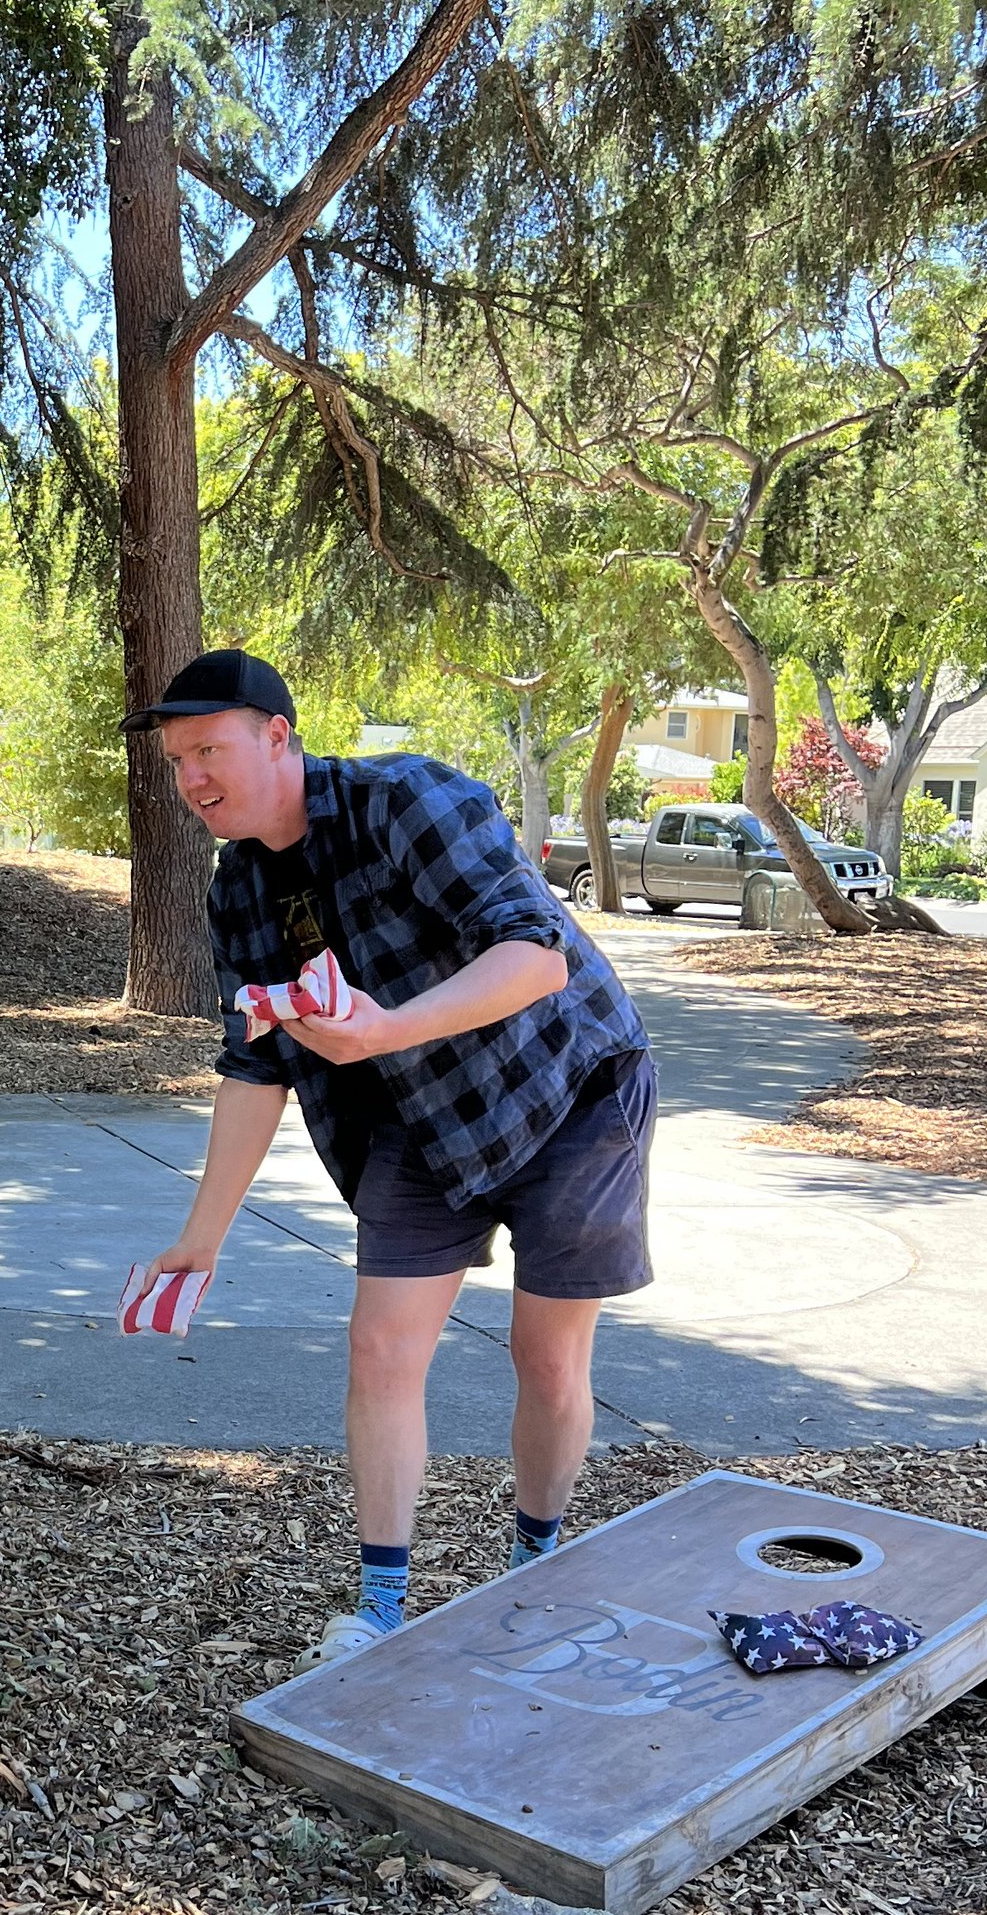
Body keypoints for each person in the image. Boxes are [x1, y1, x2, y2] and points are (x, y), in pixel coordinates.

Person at [125, 650, 655, 1665]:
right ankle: (377, 1611)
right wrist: (201, 1238)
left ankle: (533, 1569)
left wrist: (389, 1029)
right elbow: (254, 1064)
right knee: (379, 1350)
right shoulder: (239, 892)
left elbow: (534, 953)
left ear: (277, 737)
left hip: (570, 1089)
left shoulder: (407, 799)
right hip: (420, 1117)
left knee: (544, 1359)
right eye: (177, 759)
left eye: (208, 749)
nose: (190, 777)